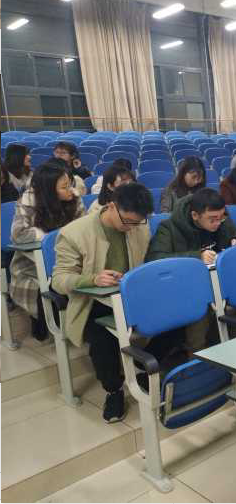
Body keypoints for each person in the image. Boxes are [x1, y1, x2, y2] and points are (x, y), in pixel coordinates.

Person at [52, 183, 179, 423]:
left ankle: (142, 366)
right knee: (102, 337)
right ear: (111, 206)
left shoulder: (139, 227)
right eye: (127, 221)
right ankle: (113, 390)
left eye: (137, 223)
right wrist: (92, 279)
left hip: (132, 295)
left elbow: (146, 262)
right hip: (93, 301)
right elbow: (59, 279)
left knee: (179, 315)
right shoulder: (74, 233)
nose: (131, 227)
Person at [146, 188, 236, 350]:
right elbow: (154, 259)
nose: (218, 223)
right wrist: (197, 256)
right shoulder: (169, 228)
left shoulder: (222, 220)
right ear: (195, 215)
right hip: (186, 286)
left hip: (219, 280)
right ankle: (197, 354)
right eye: (212, 219)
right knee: (201, 303)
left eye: (221, 217)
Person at [9, 162, 85, 341]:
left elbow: (84, 227)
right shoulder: (29, 199)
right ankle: (44, 319)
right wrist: (50, 238)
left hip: (69, 258)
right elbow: (18, 234)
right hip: (32, 266)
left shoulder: (73, 198)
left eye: (70, 184)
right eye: (64, 187)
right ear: (49, 191)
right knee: (50, 292)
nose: (70, 190)